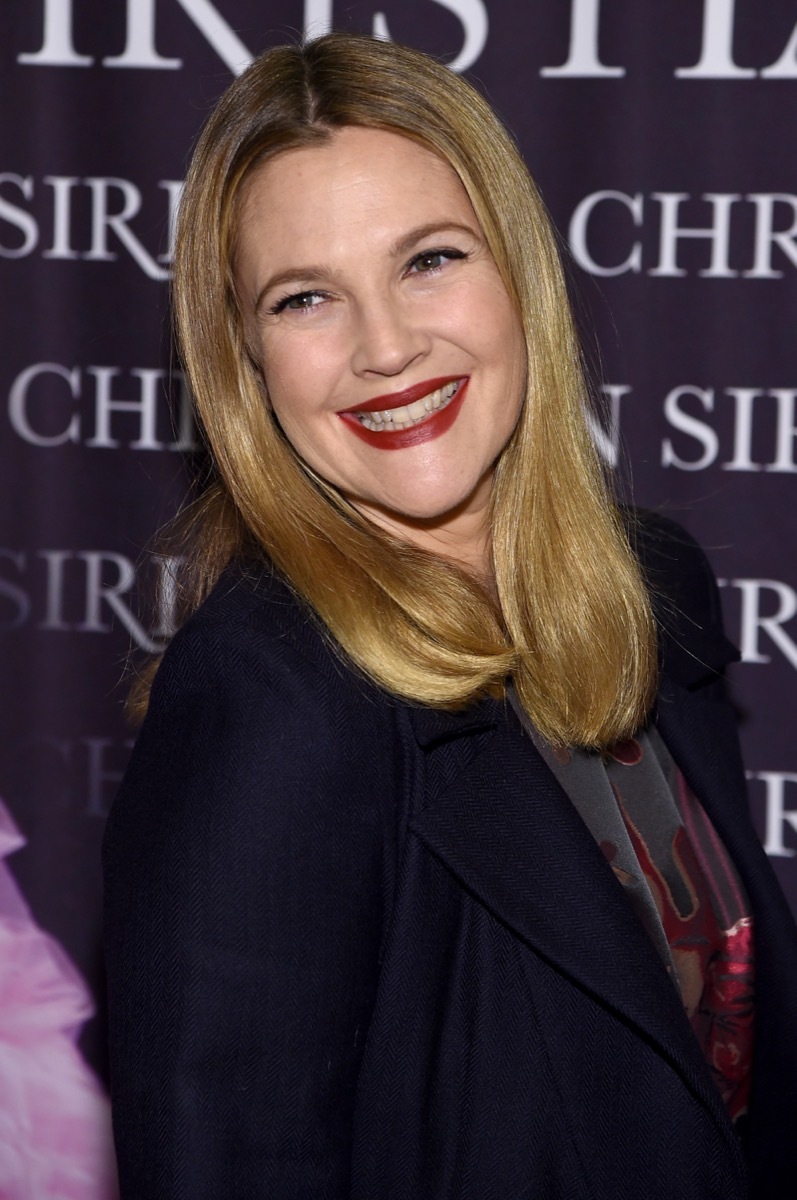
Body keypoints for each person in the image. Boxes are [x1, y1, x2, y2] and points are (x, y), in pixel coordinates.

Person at [102, 31, 797, 1200]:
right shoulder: (268, 696)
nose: (385, 349)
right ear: (246, 363)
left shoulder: (651, 589)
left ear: (517, 271)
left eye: (427, 260)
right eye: (305, 297)